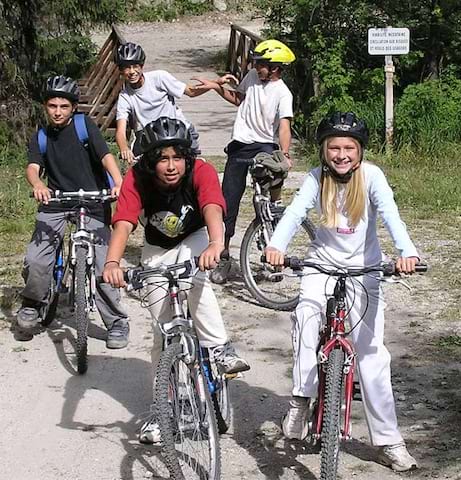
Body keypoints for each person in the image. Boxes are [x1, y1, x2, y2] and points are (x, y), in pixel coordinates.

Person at [264, 112, 421, 472]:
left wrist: (406, 252)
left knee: (371, 354)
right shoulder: (316, 179)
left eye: (349, 147)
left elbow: (390, 215)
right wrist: (275, 245)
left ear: (360, 151)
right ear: (323, 151)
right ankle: (302, 400)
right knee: (306, 317)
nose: (341, 154)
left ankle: (388, 441)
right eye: (334, 147)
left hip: (364, 270)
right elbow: (293, 213)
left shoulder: (372, 177)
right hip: (321, 265)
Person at [102, 116, 250, 443]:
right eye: (162, 159)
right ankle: (162, 406)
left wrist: (216, 243)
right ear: (151, 162)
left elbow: (213, 207)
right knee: (161, 331)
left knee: (193, 277)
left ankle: (219, 347)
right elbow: (124, 222)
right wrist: (112, 262)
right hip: (157, 245)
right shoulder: (136, 179)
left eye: (177, 157)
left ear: (187, 156)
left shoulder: (201, 170)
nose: (171, 166)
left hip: (197, 235)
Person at [17, 75, 130, 348]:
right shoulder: (41, 136)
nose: (57, 111)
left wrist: (117, 182)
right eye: (52, 106)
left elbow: (105, 155)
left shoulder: (84, 126)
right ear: (46, 107)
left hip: (92, 200)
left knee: (105, 265)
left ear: (73, 107)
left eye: (63, 106)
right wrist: (38, 184)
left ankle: (116, 321)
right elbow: (33, 167)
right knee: (35, 259)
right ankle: (33, 302)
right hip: (57, 200)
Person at [192, 39, 295, 282]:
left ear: (276, 67)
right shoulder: (251, 77)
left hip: (264, 146)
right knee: (228, 202)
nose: (256, 66)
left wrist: (286, 153)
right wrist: (216, 88)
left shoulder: (282, 92)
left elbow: (284, 126)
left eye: (261, 64)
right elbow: (239, 100)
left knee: (271, 201)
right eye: (256, 63)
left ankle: (273, 248)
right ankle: (223, 255)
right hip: (239, 146)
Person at [114, 42, 206, 163]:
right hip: (153, 139)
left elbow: (190, 92)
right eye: (126, 67)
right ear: (121, 71)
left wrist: (215, 85)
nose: (131, 71)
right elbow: (120, 130)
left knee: (189, 170)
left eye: (135, 66)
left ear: (142, 66)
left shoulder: (159, 78)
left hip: (179, 132)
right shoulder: (125, 96)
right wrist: (124, 148)